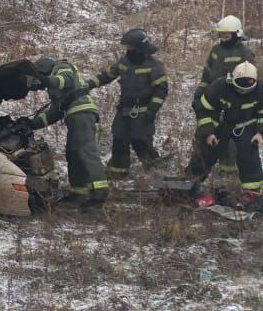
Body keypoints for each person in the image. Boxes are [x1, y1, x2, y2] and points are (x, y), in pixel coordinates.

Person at [22, 57, 110, 209]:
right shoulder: (57, 90)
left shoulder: (61, 66)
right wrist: (31, 124)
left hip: (81, 114)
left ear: (45, 69)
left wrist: (46, 80)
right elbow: (53, 113)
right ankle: (79, 193)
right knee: (73, 154)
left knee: (86, 152)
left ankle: (100, 193)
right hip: (76, 116)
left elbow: (65, 80)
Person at [87, 28, 169, 177]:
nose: (128, 50)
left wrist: (152, 109)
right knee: (119, 137)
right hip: (124, 108)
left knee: (140, 140)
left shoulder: (154, 65)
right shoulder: (125, 62)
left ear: (139, 47)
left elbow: (161, 90)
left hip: (143, 110)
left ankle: (154, 171)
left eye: (130, 47)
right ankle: (118, 172)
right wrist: (89, 84)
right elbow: (107, 75)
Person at [187, 61, 263, 209]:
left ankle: (252, 192)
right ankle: (190, 183)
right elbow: (204, 110)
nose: (242, 92)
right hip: (221, 124)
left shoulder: (261, 90)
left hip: (246, 125)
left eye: (246, 89)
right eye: (239, 88)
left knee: (249, 152)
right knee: (206, 151)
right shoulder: (219, 87)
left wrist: (260, 133)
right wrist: (208, 133)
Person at [192, 16, 255, 177]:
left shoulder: (245, 53)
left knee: (230, 146)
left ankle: (228, 178)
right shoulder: (215, 51)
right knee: (204, 136)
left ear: (236, 35)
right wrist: (200, 93)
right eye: (221, 36)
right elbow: (206, 75)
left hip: (233, 105)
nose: (223, 39)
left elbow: (249, 81)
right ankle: (195, 176)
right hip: (213, 100)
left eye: (226, 36)